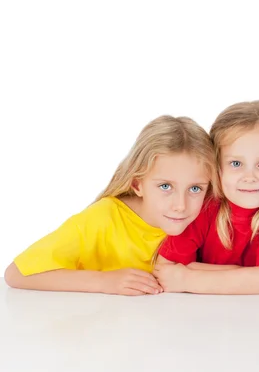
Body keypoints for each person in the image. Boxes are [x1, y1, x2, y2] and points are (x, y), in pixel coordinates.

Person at [4, 115, 216, 296]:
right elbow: (16, 274)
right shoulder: (103, 218)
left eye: (195, 189)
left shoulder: (208, 219)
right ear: (137, 184)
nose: (180, 205)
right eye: (165, 186)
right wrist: (103, 282)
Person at [154, 101, 259, 295]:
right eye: (236, 163)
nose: (249, 177)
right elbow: (166, 267)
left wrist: (186, 277)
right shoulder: (205, 202)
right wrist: (248, 276)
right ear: (217, 166)